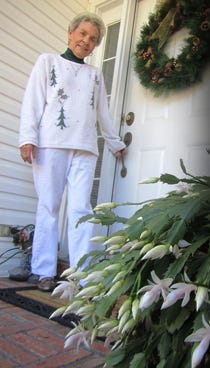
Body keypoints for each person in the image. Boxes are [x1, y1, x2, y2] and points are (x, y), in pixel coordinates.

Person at [18, 12, 127, 292]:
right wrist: (27, 138)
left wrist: (115, 143)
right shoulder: (47, 62)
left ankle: (81, 273)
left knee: (81, 209)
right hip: (50, 144)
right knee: (49, 206)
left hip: (85, 148)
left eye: (93, 39)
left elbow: (102, 112)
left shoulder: (95, 75)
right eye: (82, 34)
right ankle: (43, 271)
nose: (86, 41)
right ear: (70, 33)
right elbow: (33, 100)